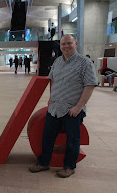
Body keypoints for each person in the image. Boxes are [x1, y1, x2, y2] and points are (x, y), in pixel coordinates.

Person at [29, 34, 97, 178]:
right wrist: (51, 98)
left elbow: (90, 85)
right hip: (54, 108)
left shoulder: (85, 63)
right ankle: (43, 163)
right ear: (60, 46)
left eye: (69, 43)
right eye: (63, 44)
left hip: (72, 110)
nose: (66, 46)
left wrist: (79, 107)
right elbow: (52, 80)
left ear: (76, 43)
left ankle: (69, 167)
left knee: (72, 140)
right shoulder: (57, 62)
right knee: (47, 137)